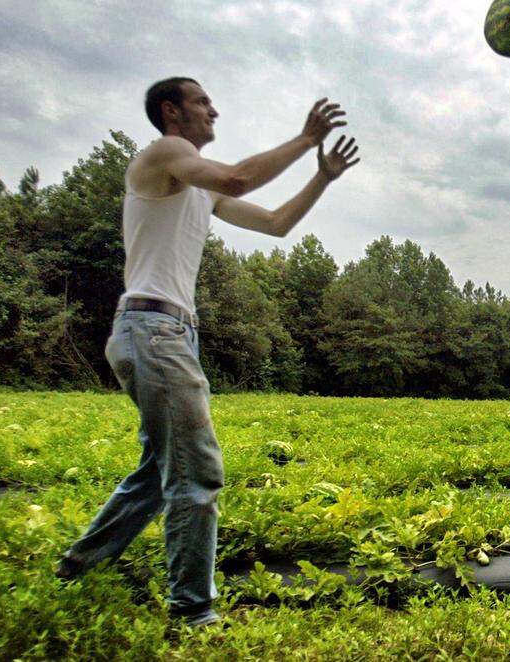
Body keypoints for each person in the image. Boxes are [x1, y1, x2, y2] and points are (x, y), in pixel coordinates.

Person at [56, 77, 360, 626]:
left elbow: (276, 224)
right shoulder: (167, 153)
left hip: (165, 332)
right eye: (202, 102)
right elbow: (240, 177)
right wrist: (303, 139)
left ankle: (79, 564)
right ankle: (193, 613)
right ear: (172, 112)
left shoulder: (199, 189)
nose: (213, 109)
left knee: (158, 472)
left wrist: (322, 176)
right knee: (195, 474)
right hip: (153, 329)